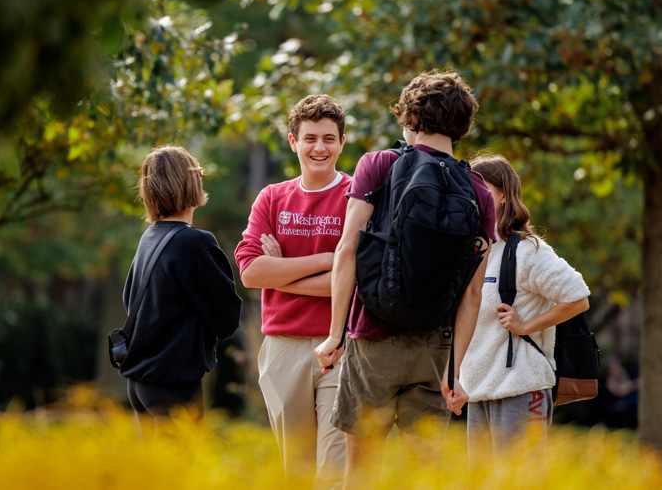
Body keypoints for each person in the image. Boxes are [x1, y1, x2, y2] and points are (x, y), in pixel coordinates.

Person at [313, 70, 496, 486]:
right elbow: (472, 292)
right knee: (423, 474)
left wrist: (335, 335)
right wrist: (454, 370)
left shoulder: (379, 164)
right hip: (434, 344)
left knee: (362, 472)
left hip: (373, 336)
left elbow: (347, 251)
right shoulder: (480, 190)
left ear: (411, 118)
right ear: (462, 126)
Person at [235, 95, 351, 489]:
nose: (320, 148)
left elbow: (358, 282)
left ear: (342, 142)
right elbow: (251, 273)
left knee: (335, 468)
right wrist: (329, 260)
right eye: (310, 138)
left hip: (342, 345)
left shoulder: (358, 197)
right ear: (292, 141)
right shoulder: (272, 198)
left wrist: (281, 274)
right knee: (296, 472)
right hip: (283, 346)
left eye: (329, 139)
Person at [460, 154, 590, 464]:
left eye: (481, 188)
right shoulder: (474, 250)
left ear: (503, 194)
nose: (473, 196)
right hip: (478, 393)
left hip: (522, 389)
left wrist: (526, 326)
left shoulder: (527, 250)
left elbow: (578, 297)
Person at [121, 145, 242, 429]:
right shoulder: (195, 243)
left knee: (152, 473)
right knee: (180, 471)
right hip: (173, 385)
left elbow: (130, 300)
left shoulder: (149, 237)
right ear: (190, 183)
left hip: (139, 383)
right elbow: (227, 320)